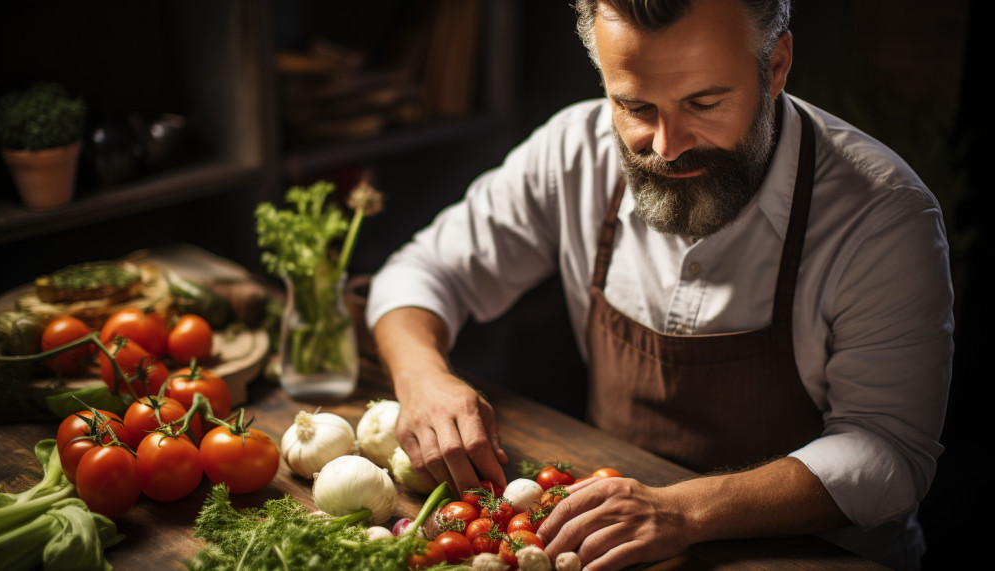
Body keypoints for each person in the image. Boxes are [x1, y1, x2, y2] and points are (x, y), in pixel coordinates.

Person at [366, 0, 954, 569]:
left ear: (775, 66)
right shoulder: (574, 151)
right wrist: (423, 378)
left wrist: (684, 510)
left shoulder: (883, 216)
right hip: (614, 542)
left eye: (704, 103)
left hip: (819, 557)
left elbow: (887, 452)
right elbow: (423, 271)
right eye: (636, 107)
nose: (668, 146)